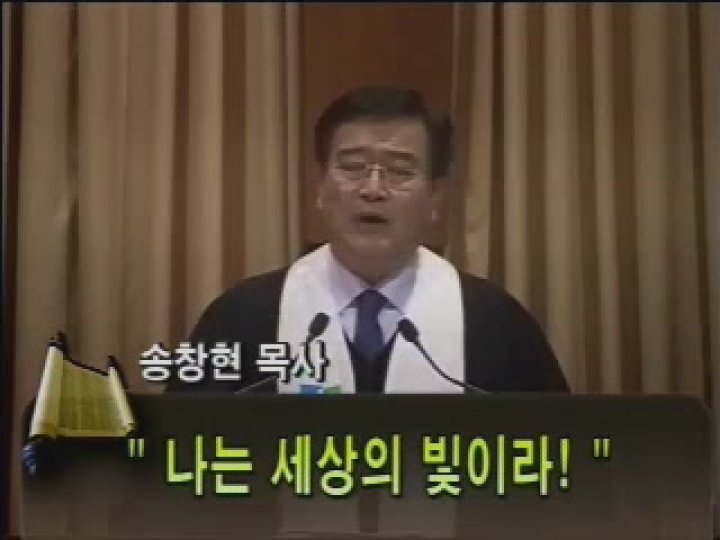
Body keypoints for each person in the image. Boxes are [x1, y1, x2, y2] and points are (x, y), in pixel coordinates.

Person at [167, 86, 568, 394]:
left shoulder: (496, 323)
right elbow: (180, 451)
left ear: (435, 198)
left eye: (400, 171)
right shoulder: (242, 318)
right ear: (320, 188)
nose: (373, 190)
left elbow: (557, 454)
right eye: (353, 167)